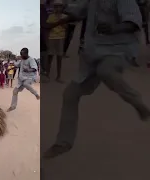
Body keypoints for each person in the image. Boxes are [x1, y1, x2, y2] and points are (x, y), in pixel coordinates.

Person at [43, 0, 150, 159]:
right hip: (94, 53)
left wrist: (115, 28)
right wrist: (64, 8)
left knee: (106, 70)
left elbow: (134, 22)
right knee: (70, 95)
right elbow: (78, 12)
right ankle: (63, 143)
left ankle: (138, 102)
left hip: (118, 50)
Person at [45, 0, 66, 83]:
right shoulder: (51, 16)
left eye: (59, 6)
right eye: (56, 6)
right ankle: (47, 75)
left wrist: (60, 20)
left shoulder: (64, 16)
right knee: (50, 57)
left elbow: (66, 27)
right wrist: (58, 22)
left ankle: (59, 76)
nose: (58, 8)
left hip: (61, 37)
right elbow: (48, 26)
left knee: (59, 57)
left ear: (62, 8)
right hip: (52, 37)